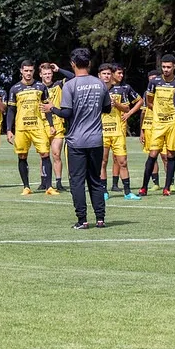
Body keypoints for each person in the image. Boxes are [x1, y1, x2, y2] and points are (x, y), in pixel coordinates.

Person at [45, 48, 111, 229]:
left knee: (77, 181)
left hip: (76, 141)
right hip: (96, 139)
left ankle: (82, 220)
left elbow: (67, 112)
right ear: (89, 64)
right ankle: (100, 219)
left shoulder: (70, 85)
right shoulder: (100, 84)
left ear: (73, 64)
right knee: (95, 180)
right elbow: (107, 109)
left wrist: (52, 108)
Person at [7, 60, 57, 195]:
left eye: (30, 71)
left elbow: (47, 108)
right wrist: (8, 130)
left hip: (38, 127)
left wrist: (51, 125)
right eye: (26, 70)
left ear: (34, 71)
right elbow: (11, 110)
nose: (28, 73)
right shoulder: (15, 88)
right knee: (22, 156)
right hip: (21, 128)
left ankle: (49, 187)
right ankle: (26, 187)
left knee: (45, 154)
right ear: (21, 71)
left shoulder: (41, 87)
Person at [139, 54, 175, 197]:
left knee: (170, 154)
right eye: (164, 67)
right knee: (153, 153)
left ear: (174, 67)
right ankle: (144, 187)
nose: (166, 69)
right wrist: (160, 112)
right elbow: (149, 101)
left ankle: (167, 187)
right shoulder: (155, 82)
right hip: (158, 123)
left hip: (173, 123)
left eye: (168, 67)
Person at [98, 63, 140, 201]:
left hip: (117, 132)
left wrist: (116, 104)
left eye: (108, 74)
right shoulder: (97, 90)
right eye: (104, 74)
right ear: (99, 75)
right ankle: (104, 191)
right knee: (102, 162)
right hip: (102, 132)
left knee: (122, 162)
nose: (106, 76)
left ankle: (127, 192)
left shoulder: (121, 90)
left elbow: (127, 109)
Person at [39, 62, 74, 191]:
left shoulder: (59, 84)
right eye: (45, 74)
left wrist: (59, 69)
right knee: (43, 154)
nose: (47, 76)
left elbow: (73, 77)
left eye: (49, 73)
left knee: (56, 154)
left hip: (58, 122)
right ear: (40, 74)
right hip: (42, 123)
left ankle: (59, 182)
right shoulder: (37, 87)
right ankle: (44, 181)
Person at [108, 63, 143, 193]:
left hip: (120, 126)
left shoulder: (125, 88)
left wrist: (129, 113)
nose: (121, 76)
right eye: (119, 73)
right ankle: (113, 184)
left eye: (122, 73)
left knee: (119, 157)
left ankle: (116, 184)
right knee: (108, 158)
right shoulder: (105, 87)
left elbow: (140, 101)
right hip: (106, 127)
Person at [138, 70, 161, 191]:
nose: (152, 81)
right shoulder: (146, 93)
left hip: (162, 125)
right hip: (148, 126)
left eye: (154, 78)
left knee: (166, 155)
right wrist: (141, 131)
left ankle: (170, 182)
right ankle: (155, 182)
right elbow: (142, 112)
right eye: (150, 78)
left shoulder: (164, 91)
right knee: (152, 155)